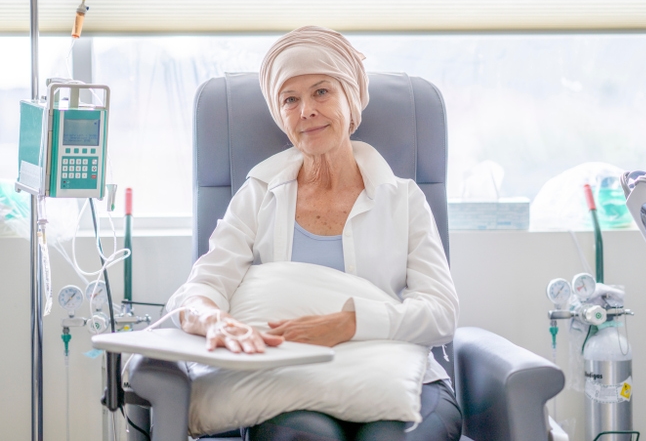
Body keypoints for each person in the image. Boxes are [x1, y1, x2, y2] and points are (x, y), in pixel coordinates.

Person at [167, 26, 461, 441]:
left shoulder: (404, 200)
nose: (306, 110)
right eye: (291, 99)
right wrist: (211, 319)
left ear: (351, 101)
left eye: (322, 92)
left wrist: (349, 324)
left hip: (398, 374)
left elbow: (441, 313)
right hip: (292, 379)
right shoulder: (258, 194)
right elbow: (201, 287)